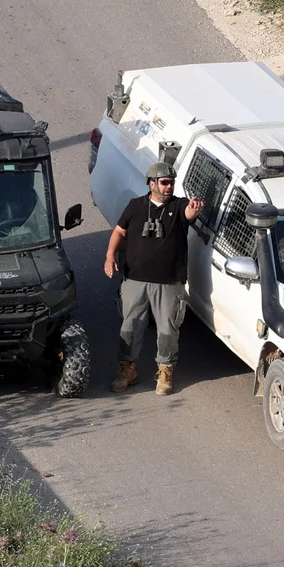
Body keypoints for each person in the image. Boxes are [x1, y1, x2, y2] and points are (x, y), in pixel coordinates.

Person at [103, 162, 202, 395]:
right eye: (165, 182)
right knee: (129, 327)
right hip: (135, 280)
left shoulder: (179, 206)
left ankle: (165, 371)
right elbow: (119, 231)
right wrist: (109, 256)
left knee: (167, 329)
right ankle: (127, 370)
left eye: (172, 182)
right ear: (151, 183)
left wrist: (194, 210)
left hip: (169, 283)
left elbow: (189, 214)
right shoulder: (135, 206)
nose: (169, 186)